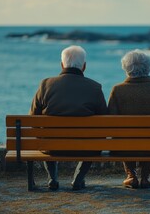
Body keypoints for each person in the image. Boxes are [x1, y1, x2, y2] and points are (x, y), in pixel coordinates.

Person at [29, 45, 108, 191]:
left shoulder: (45, 85)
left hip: (52, 147)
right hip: (86, 149)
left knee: (46, 135)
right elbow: (104, 121)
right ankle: (78, 179)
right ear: (84, 66)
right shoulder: (95, 87)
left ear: (61, 64)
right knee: (94, 142)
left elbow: (33, 118)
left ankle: (52, 178)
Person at [108, 49, 150, 189]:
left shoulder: (117, 90)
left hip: (123, 148)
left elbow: (109, 124)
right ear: (149, 68)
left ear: (126, 68)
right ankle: (145, 176)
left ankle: (131, 175)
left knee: (122, 138)